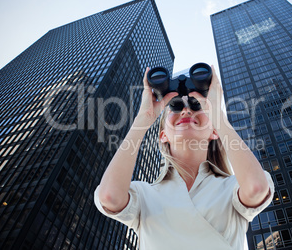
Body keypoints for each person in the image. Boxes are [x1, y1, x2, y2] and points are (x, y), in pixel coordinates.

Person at [94, 65, 274, 250]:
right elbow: (109, 196)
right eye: (176, 107)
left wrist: (217, 115)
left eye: (196, 107)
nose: (186, 111)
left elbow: (256, 188)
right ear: (163, 135)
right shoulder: (144, 195)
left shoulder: (232, 188)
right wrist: (143, 118)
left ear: (214, 131)